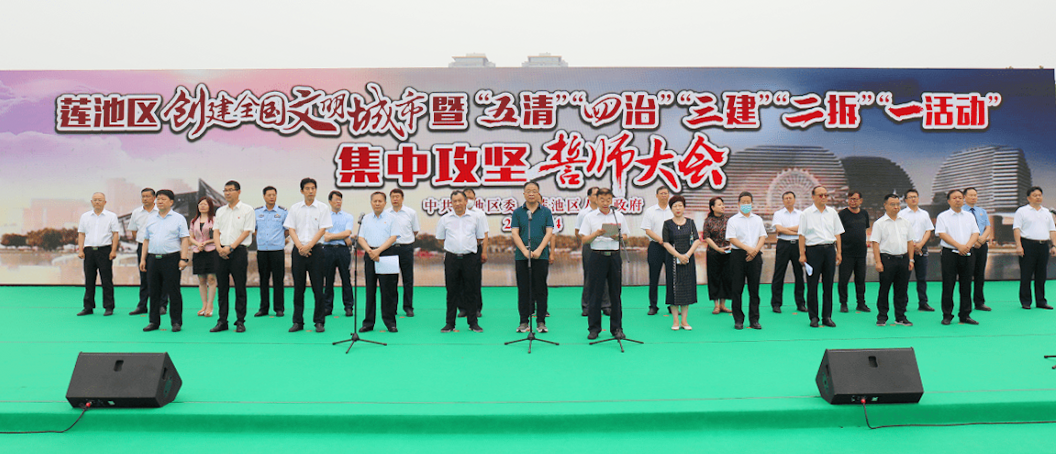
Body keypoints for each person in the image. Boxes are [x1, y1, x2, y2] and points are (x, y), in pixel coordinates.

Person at [579, 188, 630, 340]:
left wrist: (617, 237)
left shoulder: (618, 215)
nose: (605, 203)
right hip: (597, 256)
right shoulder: (590, 217)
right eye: (602, 199)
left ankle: (617, 328)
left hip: (614, 256)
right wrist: (596, 234)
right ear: (596, 200)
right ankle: (594, 328)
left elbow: (626, 236)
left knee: (615, 293)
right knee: (595, 293)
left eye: (608, 200)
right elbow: (584, 239)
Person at [284, 178, 333, 333]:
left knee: (318, 288)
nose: (311, 191)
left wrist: (309, 246)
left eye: (313, 188)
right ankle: (298, 321)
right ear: (302, 191)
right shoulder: (295, 208)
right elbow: (291, 229)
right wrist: (300, 246)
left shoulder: (322, 208)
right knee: (298, 288)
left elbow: (322, 230)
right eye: (307, 188)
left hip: (316, 251)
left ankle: (319, 321)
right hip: (298, 251)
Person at [437, 190, 486, 333]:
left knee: (471, 290)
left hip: (469, 258)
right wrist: (454, 247)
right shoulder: (445, 219)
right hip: (452, 258)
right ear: (451, 203)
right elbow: (441, 239)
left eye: (460, 200)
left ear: (466, 201)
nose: (457, 203)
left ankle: (473, 323)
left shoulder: (475, 218)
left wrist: (466, 247)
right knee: (452, 291)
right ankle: (450, 323)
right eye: (454, 201)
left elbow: (479, 238)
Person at [140, 190, 189, 332]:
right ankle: (153, 322)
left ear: (171, 202)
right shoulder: (151, 218)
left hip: (171, 258)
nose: (160, 201)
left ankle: (176, 322)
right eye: (158, 199)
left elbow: (184, 239)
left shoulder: (178, 218)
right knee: (153, 291)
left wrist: (183, 258)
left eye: (163, 199)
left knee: (174, 291)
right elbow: (146, 240)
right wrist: (143, 259)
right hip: (153, 259)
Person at [212, 181, 255, 333]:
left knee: (240, 287)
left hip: (238, 252)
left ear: (239, 191)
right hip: (221, 252)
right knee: (222, 288)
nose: (228, 193)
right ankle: (222, 321)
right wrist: (218, 247)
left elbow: (246, 232)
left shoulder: (247, 210)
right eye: (225, 190)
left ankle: (240, 321)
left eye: (231, 190)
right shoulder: (220, 211)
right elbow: (216, 231)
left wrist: (230, 247)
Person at [511, 182, 554, 333]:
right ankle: (524, 321)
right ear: (524, 194)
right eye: (528, 191)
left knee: (540, 288)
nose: (531, 193)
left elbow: (549, 232)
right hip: (522, 257)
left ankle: (541, 321)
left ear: (538, 193)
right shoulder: (518, 212)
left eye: (534, 191)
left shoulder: (546, 212)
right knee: (523, 289)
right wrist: (524, 250)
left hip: (541, 256)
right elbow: (515, 233)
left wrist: (539, 249)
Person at [799, 186, 844, 328]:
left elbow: (837, 233)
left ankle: (827, 317)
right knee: (812, 285)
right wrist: (802, 254)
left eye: (825, 195)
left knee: (828, 285)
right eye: (820, 195)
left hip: (829, 250)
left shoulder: (832, 213)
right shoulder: (806, 214)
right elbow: (802, 235)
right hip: (813, 251)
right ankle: (813, 317)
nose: (823, 197)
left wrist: (839, 252)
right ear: (813, 197)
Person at [935, 189, 980, 325]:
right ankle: (947, 315)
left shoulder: (969, 216)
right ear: (949, 201)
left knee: (966, 285)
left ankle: (965, 314)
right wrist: (958, 246)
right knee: (948, 285)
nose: (958, 200)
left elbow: (975, 233)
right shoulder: (943, 216)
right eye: (954, 198)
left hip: (967, 253)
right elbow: (942, 234)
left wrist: (967, 246)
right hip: (950, 254)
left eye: (960, 197)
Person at [870, 194, 915, 327]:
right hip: (887, 259)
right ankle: (882, 316)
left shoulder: (905, 222)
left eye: (897, 204)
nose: (896, 207)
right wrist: (878, 262)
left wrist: (911, 259)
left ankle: (900, 317)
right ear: (885, 205)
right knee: (884, 289)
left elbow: (910, 242)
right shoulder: (879, 223)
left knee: (902, 290)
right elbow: (875, 243)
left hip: (903, 259)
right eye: (892, 204)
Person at [358, 192, 400, 333]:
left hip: (386, 254)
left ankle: (390, 322)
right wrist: (370, 251)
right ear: (371, 202)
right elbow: (360, 238)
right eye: (374, 201)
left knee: (387, 291)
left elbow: (393, 237)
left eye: (380, 201)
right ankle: (368, 323)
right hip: (370, 254)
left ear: (385, 203)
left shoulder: (392, 218)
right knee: (370, 290)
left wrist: (378, 251)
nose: (377, 203)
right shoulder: (366, 219)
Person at [726, 192, 768, 330]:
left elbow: (762, 236)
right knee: (737, 289)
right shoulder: (733, 220)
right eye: (743, 202)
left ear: (752, 203)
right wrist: (748, 249)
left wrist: (755, 250)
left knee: (754, 289)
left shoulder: (758, 219)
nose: (746, 204)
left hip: (755, 255)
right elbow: (732, 238)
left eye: (748, 202)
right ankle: (738, 319)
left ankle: (754, 319)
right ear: (738, 204)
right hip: (738, 256)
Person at [76, 192, 120, 316]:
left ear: (105, 202)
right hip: (89, 251)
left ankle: (109, 307)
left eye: (100, 200)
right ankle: (88, 307)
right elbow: (81, 234)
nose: (97, 202)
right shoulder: (85, 216)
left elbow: (115, 234)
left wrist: (113, 250)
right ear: (91, 202)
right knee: (89, 280)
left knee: (106, 280)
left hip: (104, 250)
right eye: (95, 200)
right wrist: (81, 250)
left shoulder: (111, 216)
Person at [1012, 186, 1056, 310]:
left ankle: (1041, 301)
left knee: (1041, 275)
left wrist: (1054, 245)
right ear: (1028, 198)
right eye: (1035, 195)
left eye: (1040, 195)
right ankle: (1026, 301)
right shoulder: (1022, 211)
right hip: (1027, 245)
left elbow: (1052, 230)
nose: (1038, 197)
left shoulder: (1047, 212)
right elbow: (1016, 229)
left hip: (1043, 245)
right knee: (1026, 274)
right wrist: (1019, 245)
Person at [661, 195, 701, 330]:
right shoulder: (667, 224)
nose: (678, 208)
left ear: (684, 207)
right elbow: (666, 243)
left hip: (688, 260)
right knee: (673, 289)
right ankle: (675, 321)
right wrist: (678, 255)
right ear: (671, 209)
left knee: (687, 288)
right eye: (675, 206)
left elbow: (696, 240)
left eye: (680, 206)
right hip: (672, 260)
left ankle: (684, 321)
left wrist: (687, 255)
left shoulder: (690, 222)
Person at [127, 188, 167, 316]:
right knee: (144, 276)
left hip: (158, 247)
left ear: (154, 198)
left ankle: (162, 305)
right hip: (142, 247)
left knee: (160, 277)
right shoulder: (136, 212)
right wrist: (142, 240)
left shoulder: (160, 211)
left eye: (147, 196)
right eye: (143, 196)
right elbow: (134, 230)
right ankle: (142, 305)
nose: (145, 199)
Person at [575, 187, 610, 316]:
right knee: (590, 276)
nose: (599, 197)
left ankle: (606, 305)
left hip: (606, 246)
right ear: (589, 197)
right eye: (596, 195)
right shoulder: (584, 214)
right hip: (589, 246)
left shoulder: (608, 213)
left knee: (605, 276)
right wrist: (588, 240)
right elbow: (577, 232)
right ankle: (587, 306)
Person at [386, 188, 420, 317]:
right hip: (390, 248)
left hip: (406, 248)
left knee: (408, 279)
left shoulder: (411, 213)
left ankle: (408, 307)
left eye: (397, 196)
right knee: (391, 280)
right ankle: (392, 307)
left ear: (402, 198)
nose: (395, 199)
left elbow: (415, 230)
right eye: (393, 197)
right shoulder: (385, 213)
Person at [899, 189, 935, 312]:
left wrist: (920, 244)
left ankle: (923, 303)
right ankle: (902, 304)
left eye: (915, 196)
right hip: (906, 248)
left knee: (922, 277)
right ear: (906, 200)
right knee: (904, 278)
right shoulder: (901, 214)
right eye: (910, 197)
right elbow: (899, 231)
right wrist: (911, 245)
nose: (913, 199)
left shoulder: (924, 214)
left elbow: (928, 230)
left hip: (921, 247)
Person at [254, 186, 287, 317]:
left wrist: (277, 239)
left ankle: (279, 308)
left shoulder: (283, 212)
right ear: (264, 196)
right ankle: (263, 308)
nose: (272, 197)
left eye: (274, 195)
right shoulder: (257, 212)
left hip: (277, 250)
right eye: (269, 195)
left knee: (278, 279)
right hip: (262, 250)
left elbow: (287, 230)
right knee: (263, 279)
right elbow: (254, 229)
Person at [321, 190, 355, 317]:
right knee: (328, 279)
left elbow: (347, 233)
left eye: (340, 199)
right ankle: (327, 307)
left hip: (342, 250)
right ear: (330, 202)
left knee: (346, 278)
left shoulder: (348, 216)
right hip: (328, 250)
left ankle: (348, 307)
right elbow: (324, 235)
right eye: (336, 199)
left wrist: (331, 236)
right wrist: (341, 236)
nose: (338, 202)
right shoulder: (324, 217)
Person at [771, 191, 806, 313]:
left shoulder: (801, 214)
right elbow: (778, 228)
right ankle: (776, 303)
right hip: (783, 245)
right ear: (783, 201)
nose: (788, 200)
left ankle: (801, 303)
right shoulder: (778, 214)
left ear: (795, 199)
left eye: (790, 198)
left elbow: (802, 228)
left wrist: (785, 229)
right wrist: (795, 231)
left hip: (797, 245)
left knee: (799, 274)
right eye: (786, 198)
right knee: (779, 274)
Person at [641, 186, 673, 316]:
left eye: (666, 193)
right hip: (655, 246)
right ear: (656, 195)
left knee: (672, 277)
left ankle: (672, 305)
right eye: (661, 193)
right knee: (653, 277)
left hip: (671, 247)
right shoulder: (650, 211)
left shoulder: (674, 210)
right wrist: (660, 240)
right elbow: (647, 230)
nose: (664, 195)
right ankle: (653, 306)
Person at [838, 191, 870, 313]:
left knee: (860, 279)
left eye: (855, 199)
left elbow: (865, 229)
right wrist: (839, 251)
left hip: (861, 253)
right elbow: (837, 233)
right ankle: (843, 303)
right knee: (843, 280)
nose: (853, 201)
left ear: (860, 201)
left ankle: (861, 303)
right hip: (846, 252)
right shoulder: (842, 214)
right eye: (851, 199)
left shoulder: (864, 214)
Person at [964, 188, 993, 311]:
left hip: (982, 245)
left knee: (980, 274)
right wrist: (974, 241)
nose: (973, 197)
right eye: (971, 195)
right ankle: (966, 303)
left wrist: (982, 239)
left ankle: (979, 302)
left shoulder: (982, 211)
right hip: (968, 246)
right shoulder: (961, 211)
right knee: (966, 275)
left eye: (975, 195)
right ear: (964, 197)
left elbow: (988, 227)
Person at [703, 197, 733, 314]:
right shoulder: (708, 221)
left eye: (723, 204)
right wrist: (717, 248)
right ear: (712, 207)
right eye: (719, 205)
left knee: (726, 277)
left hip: (727, 252)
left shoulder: (729, 220)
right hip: (713, 252)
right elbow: (706, 237)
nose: (722, 207)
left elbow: (733, 235)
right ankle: (716, 305)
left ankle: (723, 305)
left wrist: (730, 245)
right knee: (714, 277)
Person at [189, 197, 218, 318]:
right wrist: (198, 244)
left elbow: (218, 236)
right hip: (198, 251)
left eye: (205, 204)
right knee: (201, 279)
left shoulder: (215, 220)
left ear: (210, 206)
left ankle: (210, 305)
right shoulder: (194, 221)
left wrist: (206, 242)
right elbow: (190, 237)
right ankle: (204, 305)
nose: (202, 206)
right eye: (200, 204)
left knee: (211, 278)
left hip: (211, 251)